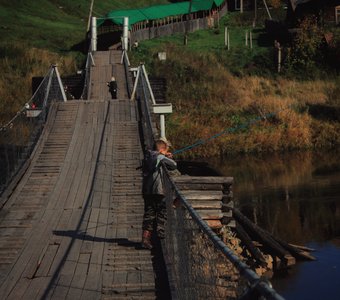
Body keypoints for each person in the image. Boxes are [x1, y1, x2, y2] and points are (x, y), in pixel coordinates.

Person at [141, 138, 177, 250]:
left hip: (147, 190)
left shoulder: (148, 156)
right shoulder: (160, 157)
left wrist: (165, 156)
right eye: (166, 150)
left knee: (149, 214)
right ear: (162, 150)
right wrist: (167, 157)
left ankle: (145, 239)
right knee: (163, 209)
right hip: (158, 190)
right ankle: (160, 231)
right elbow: (174, 165)